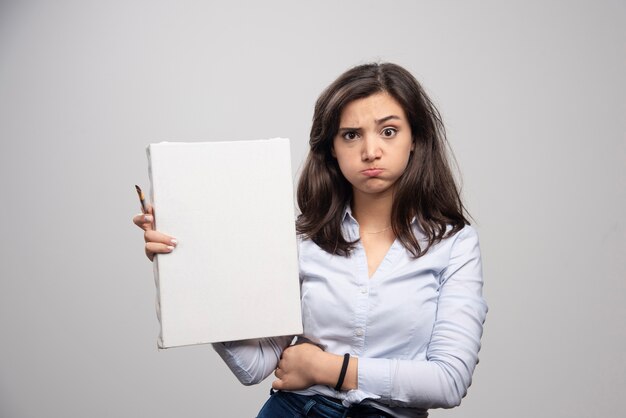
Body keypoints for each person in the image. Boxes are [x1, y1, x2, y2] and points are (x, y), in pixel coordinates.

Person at [133, 62, 487, 418]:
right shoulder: (304, 237)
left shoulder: (454, 245)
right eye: (351, 135)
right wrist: (185, 261)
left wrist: (325, 369)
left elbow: (449, 380)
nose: (370, 151)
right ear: (332, 147)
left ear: (416, 139)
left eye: (389, 131)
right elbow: (254, 366)